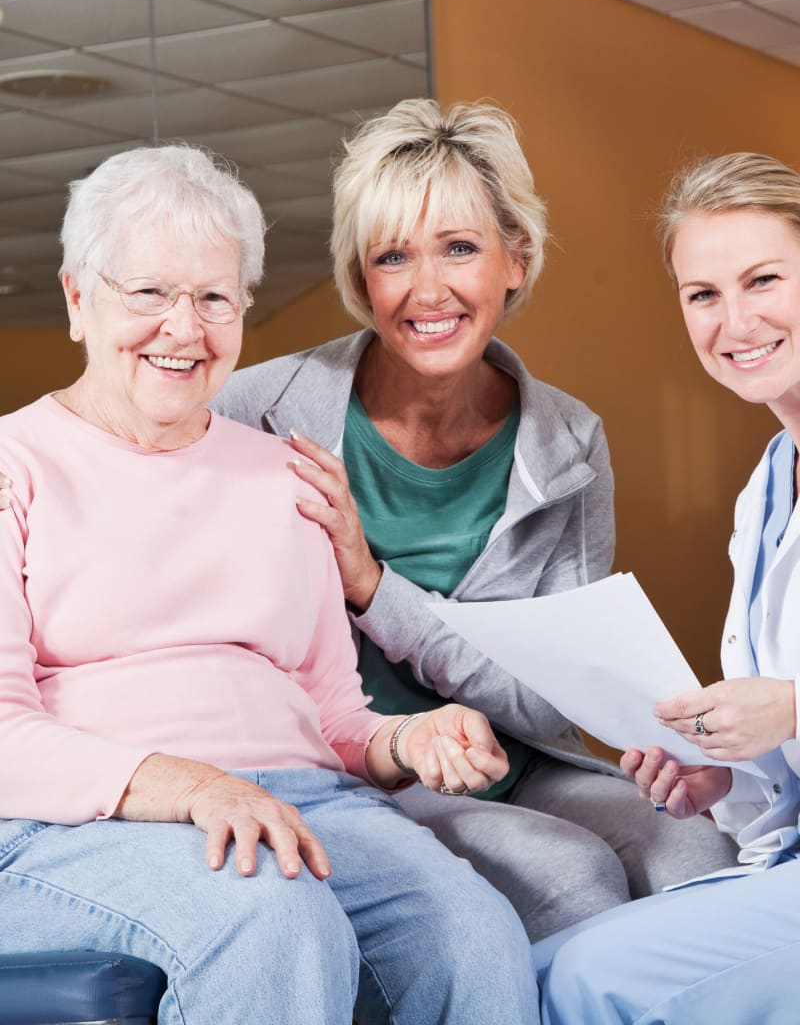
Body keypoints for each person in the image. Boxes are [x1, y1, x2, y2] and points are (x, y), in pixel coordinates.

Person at [0, 144, 538, 1025]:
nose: (184, 328)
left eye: (215, 298)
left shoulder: (287, 475)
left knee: (472, 928)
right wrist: (198, 786)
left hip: (305, 799)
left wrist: (409, 740)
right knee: (270, 919)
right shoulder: (13, 466)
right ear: (76, 299)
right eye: (148, 293)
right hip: (82, 823)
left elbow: (331, 715)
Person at [212, 98, 736, 941]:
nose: (428, 290)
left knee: (696, 855)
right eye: (392, 257)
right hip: (349, 774)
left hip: (519, 762)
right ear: (361, 278)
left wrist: (375, 587)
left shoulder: (569, 443)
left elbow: (546, 698)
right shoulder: (254, 410)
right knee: (572, 874)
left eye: (460, 248)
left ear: (515, 260)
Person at [533, 151, 800, 1024]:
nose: (735, 320)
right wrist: (724, 770)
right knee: (528, 967)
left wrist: (790, 709)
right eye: (702, 294)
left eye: (764, 279)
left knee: (589, 981)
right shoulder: (766, 486)